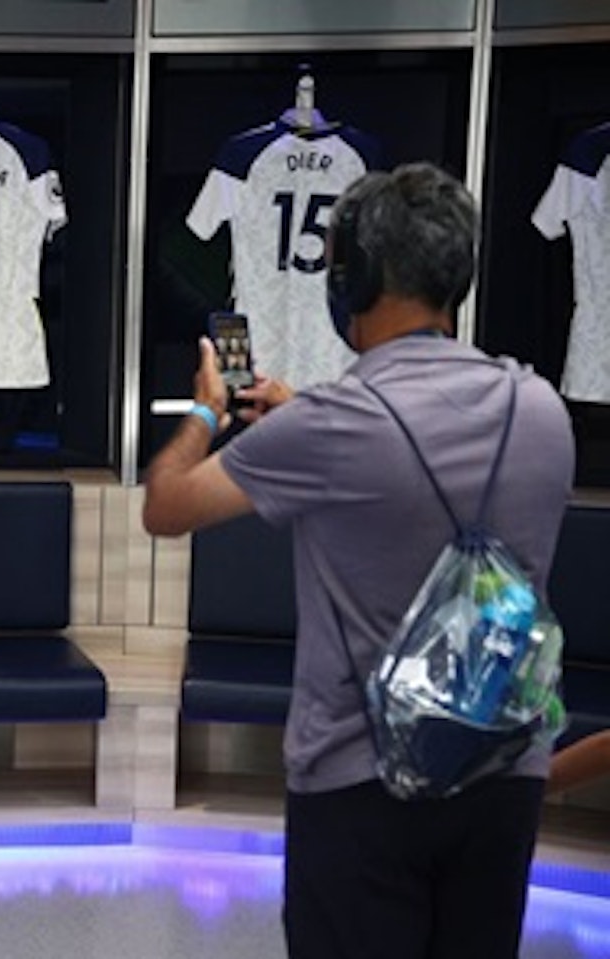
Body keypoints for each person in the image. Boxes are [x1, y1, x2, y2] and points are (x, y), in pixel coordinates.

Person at [142, 162, 575, 959]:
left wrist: (208, 407)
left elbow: (166, 506)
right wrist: (306, 413)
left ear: (358, 276)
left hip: (362, 784)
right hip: (504, 777)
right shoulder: (541, 410)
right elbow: (424, 457)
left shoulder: (334, 429)